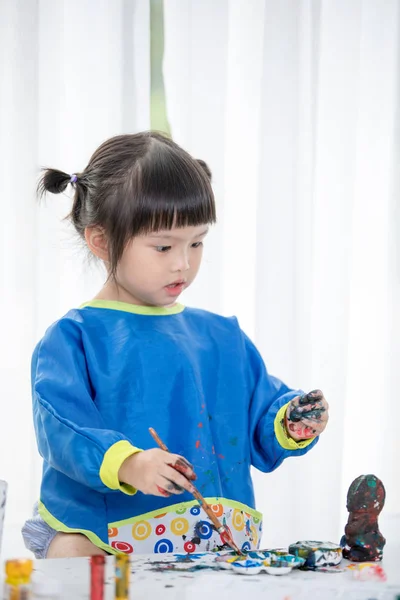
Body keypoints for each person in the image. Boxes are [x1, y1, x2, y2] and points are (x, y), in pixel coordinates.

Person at [22, 132, 329, 559]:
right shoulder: (75, 337)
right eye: (163, 246)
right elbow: (61, 426)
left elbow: (262, 412)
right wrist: (129, 463)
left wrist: (290, 421)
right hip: (104, 536)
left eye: (197, 242)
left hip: (213, 543)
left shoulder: (222, 337)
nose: (183, 263)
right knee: (73, 556)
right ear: (100, 240)